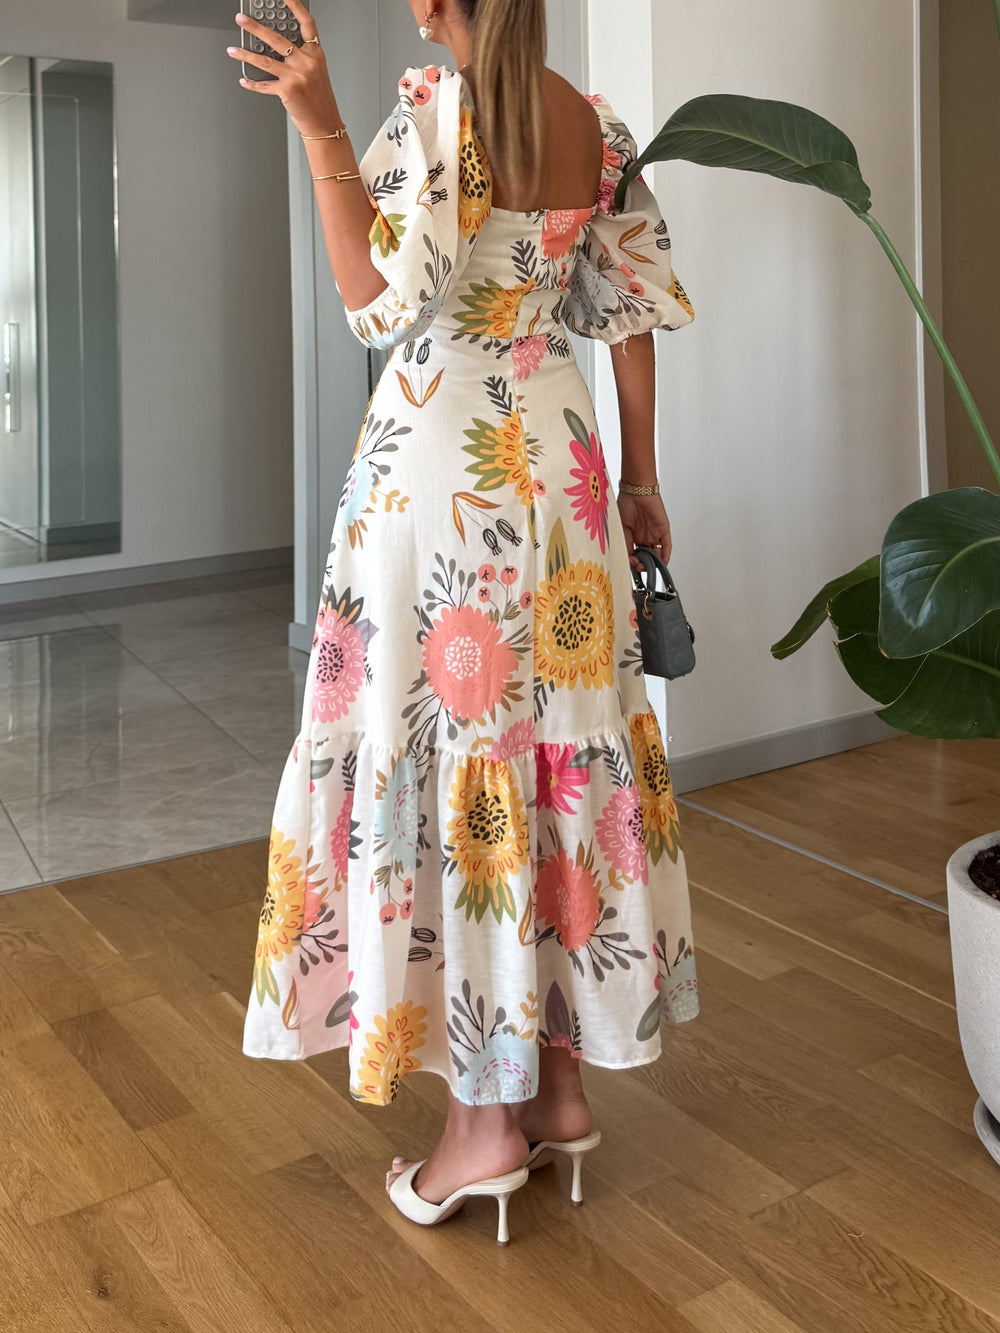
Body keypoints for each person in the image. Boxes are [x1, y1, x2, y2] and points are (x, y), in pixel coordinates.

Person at [233, 0, 700, 1244]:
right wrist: (643, 480)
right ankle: (556, 1088)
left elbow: (375, 303)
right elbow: (629, 310)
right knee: (550, 763)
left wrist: (320, 123)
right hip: (563, 471)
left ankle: (481, 1125)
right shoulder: (596, 126)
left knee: (456, 759)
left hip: (442, 479)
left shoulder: (441, 116)